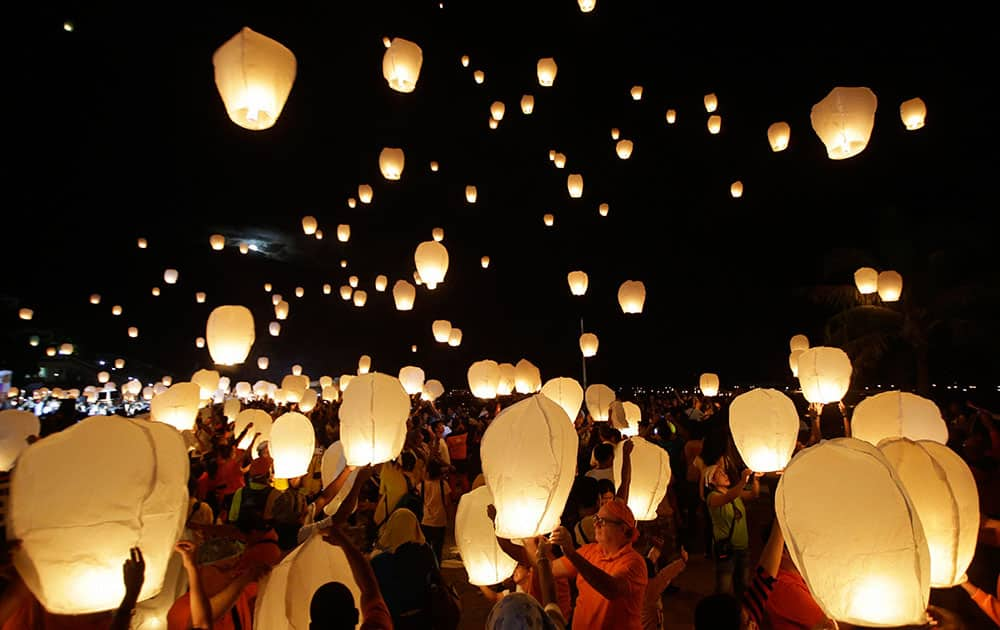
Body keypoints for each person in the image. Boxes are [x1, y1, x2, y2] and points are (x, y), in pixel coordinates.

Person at [549, 499, 648, 630]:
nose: (595, 524)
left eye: (602, 521)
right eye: (596, 518)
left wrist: (572, 554)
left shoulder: (634, 563)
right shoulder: (589, 551)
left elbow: (611, 589)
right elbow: (550, 570)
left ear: (622, 529)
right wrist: (531, 545)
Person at [704, 464, 760, 596]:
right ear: (712, 480)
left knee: (743, 586)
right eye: (720, 473)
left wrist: (756, 479)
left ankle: (739, 613)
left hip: (743, 547)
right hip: (726, 549)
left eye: (724, 472)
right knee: (723, 588)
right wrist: (742, 480)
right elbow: (727, 497)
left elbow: (754, 494)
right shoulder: (712, 497)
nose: (725, 475)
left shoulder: (736, 493)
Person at [420, 459, 451, 564]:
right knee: (438, 549)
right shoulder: (444, 485)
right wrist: (450, 517)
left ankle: (427, 567)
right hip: (440, 521)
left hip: (426, 521)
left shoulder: (421, 486)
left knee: (426, 547)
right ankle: (437, 568)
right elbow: (447, 503)